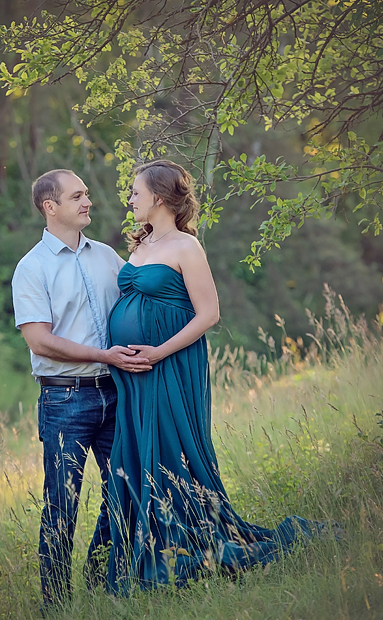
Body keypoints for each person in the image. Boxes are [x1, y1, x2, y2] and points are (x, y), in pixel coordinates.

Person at [105, 159, 322, 594]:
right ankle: (148, 547)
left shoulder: (187, 247)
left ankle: (184, 547)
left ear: (160, 198)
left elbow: (209, 314)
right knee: (140, 451)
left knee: (171, 448)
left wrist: (158, 352)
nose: (129, 199)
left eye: (135, 191)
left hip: (169, 364)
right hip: (134, 373)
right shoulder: (141, 245)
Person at [12, 169, 152, 609]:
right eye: (77, 196)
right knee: (61, 505)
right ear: (50, 207)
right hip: (65, 400)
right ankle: (54, 605)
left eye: (87, 194)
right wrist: (105, 355)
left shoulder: (108, 256)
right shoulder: (31, 268)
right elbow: (39, 339)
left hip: (118, 392)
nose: (87, 201)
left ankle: (100, 582)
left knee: (125, 489)